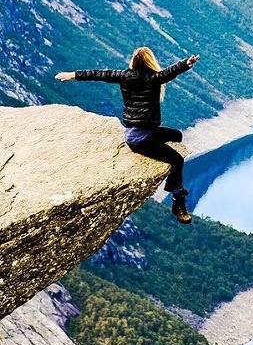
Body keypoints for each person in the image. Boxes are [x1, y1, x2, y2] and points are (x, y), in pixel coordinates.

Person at [55, 47, 200, 224]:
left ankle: (173, 184)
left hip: (141, 131)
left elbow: (100, 74)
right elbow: (171, 72)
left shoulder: (123, 76)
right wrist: (186, 63)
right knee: (177, 160)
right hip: (140, 138)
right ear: (150, 62)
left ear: (134, 62)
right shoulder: (154, 78)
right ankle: (178, 201)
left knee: (176, 136)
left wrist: (73, 74)